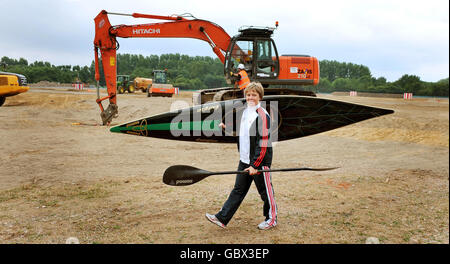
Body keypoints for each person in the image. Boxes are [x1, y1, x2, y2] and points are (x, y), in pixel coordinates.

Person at [206, 82, 277, 230]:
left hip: (259, 162)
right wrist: (228, 127)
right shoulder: (245, 112)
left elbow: (263, 143)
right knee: (238, 189)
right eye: (248, 94)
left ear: (260, 97)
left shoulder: (263, 115)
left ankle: (271, 219)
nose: (250, 97)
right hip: (245, 160)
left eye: (254, 95)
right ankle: (222, 218)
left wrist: (255, 165)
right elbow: (243, 129)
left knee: (265, 192)